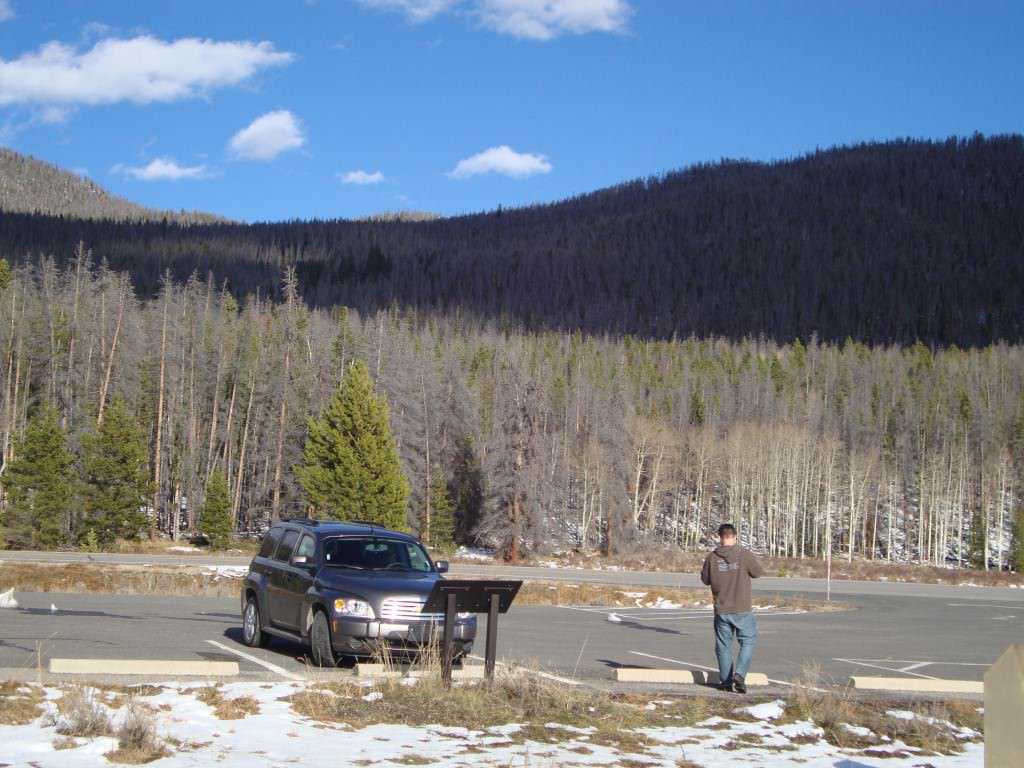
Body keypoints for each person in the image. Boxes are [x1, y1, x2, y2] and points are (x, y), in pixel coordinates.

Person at [700, 523, 764, 693]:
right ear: (734, 537)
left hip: (722, 608)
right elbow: (757, 572)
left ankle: (726, 680)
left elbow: (705, 579)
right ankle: (740, 675)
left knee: (723, 646)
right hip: (742, 607)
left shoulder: (712, 558)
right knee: (748, 641)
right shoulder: (744, 554)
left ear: (719, 537)